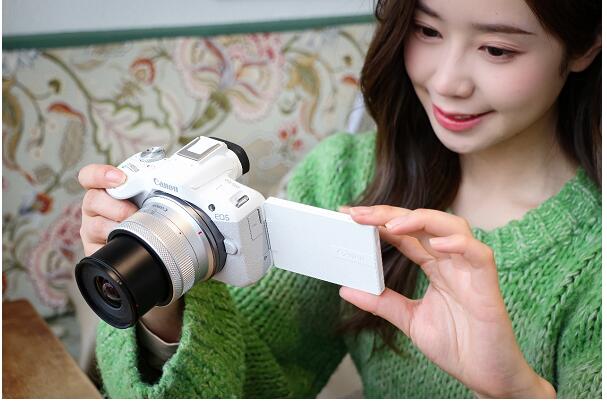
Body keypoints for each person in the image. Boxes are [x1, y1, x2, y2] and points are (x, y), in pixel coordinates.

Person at [77, 0, 601, 397]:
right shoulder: (344, 177)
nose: (446, 81)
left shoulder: (592, 258)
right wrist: (164, 297)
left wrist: (518, 390)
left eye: (497, 49)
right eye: (427, 30)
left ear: (585, 45)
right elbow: (249, 382)